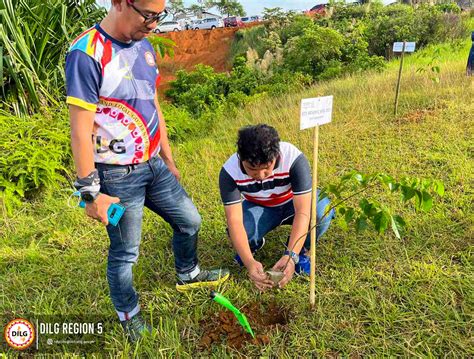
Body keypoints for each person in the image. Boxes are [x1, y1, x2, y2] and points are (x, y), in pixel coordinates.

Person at [65, 0, 229, 342]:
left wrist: (168, 158)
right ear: (120, 2)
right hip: (116, 175)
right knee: (126, 253)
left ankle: (188, 272)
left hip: (154, 165)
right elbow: (79, 130)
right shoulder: (87, 52)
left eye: (160, 16)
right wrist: (90, 192)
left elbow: (153, 103)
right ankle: (129, 316)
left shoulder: (144, 45)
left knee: (190, 220)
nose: (154, 24)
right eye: (148, 15)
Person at [219, 124, 334, 291]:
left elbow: (302, 211)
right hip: (260, 206)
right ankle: (253, 245)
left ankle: (301, 250)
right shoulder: (229, 172)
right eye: (252, 169)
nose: (260, 176)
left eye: (266, 168)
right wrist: (249, 263)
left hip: (293, 203)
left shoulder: (294, 159)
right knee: (241, 231)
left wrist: (290, 256)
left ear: (276, 156)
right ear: (240, 158)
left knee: (319, 211)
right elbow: (234, 220)